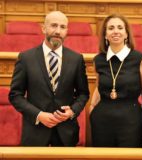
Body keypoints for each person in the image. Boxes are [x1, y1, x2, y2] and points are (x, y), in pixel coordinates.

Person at [9, 11, 90, 146]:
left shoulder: (76, 59)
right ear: (44, 28)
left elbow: (83, 93)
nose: (58, 31)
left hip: (66, 134)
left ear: (67, 31)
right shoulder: (26, 58)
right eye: (53, 25)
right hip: (35, 134)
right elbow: (15, 95)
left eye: (62, 27)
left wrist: (72, 111)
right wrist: (38, 115)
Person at [89, 14, 142, 147]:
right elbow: (99, 89)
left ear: (126, 34)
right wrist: (92, 109)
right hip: (102, 121)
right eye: (111, 28)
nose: (115, 31)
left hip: (131, 120)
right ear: (105, 35)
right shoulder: (98, 60)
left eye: (120, 28)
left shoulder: (139, 59)